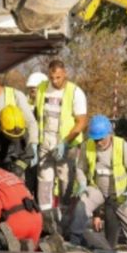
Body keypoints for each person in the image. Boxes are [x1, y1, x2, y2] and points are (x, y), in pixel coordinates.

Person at [69, 115, 127, 247]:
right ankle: (74, 241)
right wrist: (82, 183)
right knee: (81, 206)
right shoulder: (87, 145)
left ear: (109, 134)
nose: (98, 143)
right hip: (97, 190)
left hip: (120, 193)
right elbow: (80, 168)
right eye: (95, 139)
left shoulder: (123, 147)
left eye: (101, 139)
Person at [34, 60, 88, 214]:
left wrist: (65, 143)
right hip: (45, 142)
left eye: (58, 77)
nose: (55, 81)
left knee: (65, 183)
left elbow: (82, 121)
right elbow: (37, 115)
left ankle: (64, 218)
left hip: (66, 146)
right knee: (44, 182)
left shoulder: (75, 92)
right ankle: (46, 217)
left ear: (65, 73)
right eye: (52, 77)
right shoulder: (42, 89)